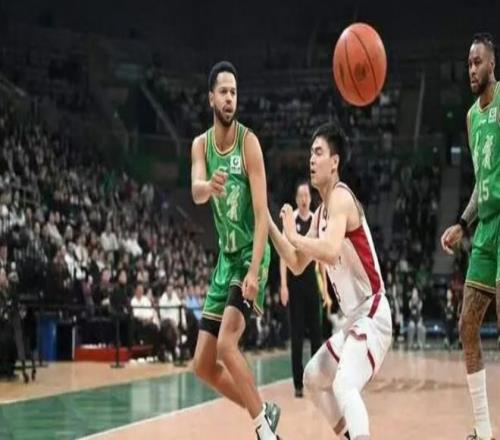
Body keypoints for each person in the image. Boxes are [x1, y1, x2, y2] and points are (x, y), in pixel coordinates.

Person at [268, 121, 392, 440]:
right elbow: (297, 263)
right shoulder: (322, 212)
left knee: (344, 384)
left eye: (318, 152)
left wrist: (295, 236)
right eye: (310, 153)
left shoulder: (341, 198)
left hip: (373, 313)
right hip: (354, 320)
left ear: (334, 161)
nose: (311, 159)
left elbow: (330, 249)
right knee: (312, 377)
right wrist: (268, 222)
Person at [190, 61, 280, 440]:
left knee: (227, 345)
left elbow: (261, 216)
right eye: (223, 92)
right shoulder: (200, 145)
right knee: (202, 365)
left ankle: (265, 432)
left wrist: (254, 271)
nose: (230, 98)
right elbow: (196, 191)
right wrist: (209, 185)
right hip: (225, 261)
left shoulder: (249, 143)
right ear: (211, 98)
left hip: (249, 255)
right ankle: (263, 410)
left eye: (234, 92)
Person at [440, 33, 499, 440]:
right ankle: (483, 427)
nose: (472, 69)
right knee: (466, 326)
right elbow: (481, 182)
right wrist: (462, 222)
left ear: (492, 64)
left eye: (478, 62)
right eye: (468, 64)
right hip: (486, 228)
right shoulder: (471, 117)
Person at [279, 181, 322, 398]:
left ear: (310, 198)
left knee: (316, 334)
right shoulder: (290, 221)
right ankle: (298, 384)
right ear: (297, 199)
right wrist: (283, 285)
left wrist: (325, 287)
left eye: (307, 195)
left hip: (312, 281)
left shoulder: (315, 219)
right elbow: (283, 255)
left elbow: (321, 255)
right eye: (301, 195)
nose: (304, 199)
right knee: (296, 335)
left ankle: (315, 380)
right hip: (295, 283)